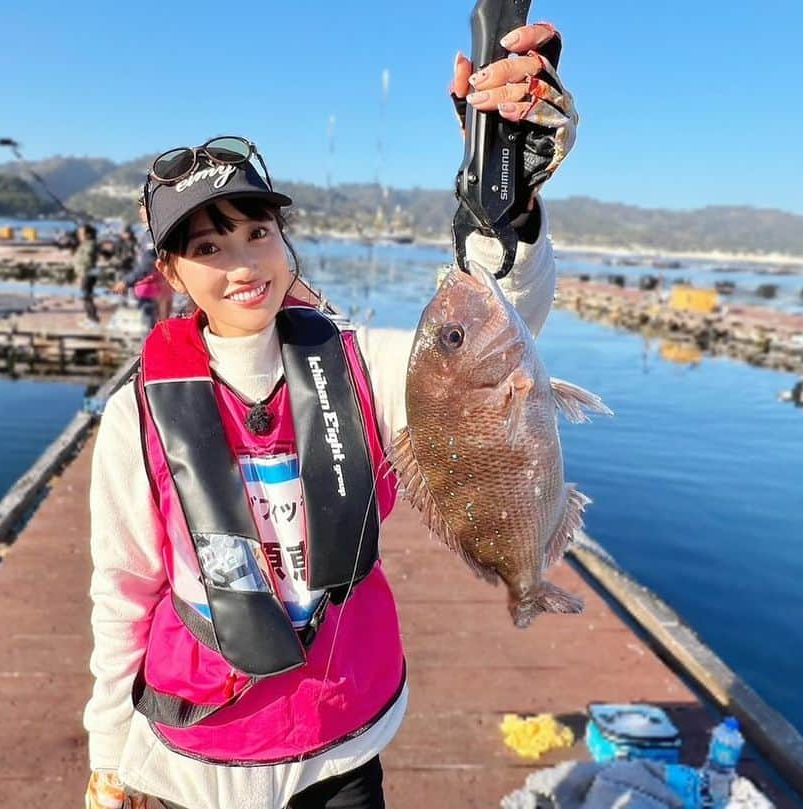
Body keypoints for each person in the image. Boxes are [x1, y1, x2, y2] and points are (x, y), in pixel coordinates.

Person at [84, 22, 577, 809]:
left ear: (285, 239)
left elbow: (494, 324)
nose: (244, 263)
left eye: (258, 232)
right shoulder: (133, 416)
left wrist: (506, 194)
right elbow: (124, 587)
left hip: (341, 747)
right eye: (209, 247)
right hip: (192, 755)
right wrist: (109, 749)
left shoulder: (364, 364)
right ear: (171, 270)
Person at [75, 223, 101, 325]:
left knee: (86, 296)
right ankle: (91, 317)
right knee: (86, 296)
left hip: (88, 273)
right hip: (86, 273)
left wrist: (82, 275)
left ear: (87, 234)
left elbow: (87, 261)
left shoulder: (89, 244)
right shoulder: (86, 244)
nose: (79, 236)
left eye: (81, 233)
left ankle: (92, 319)